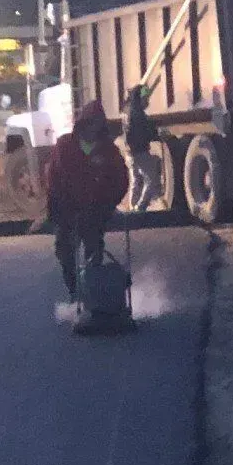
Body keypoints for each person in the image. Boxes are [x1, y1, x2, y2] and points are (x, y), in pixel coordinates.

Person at [44, 96, 129, 302]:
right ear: (83, 124)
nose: (93, 129)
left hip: (95, 211)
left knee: (94, 249)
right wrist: (59, 206)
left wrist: (106, 206)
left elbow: (120, 181)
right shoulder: (65, 146)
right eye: (90, 123)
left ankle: (94, 294)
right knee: (65, 250)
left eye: (97, 124)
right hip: (66, 209)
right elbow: (52, 177)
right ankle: (76, 291)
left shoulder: (109, 151)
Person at [124, 83, 163, 215]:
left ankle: (132, 210)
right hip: (139, 152)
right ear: (139, 98)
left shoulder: (128, 111)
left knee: (136, 181)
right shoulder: (138, 114)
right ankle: (140, 208)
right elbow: (144, 132)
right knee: (152, 180)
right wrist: (157, 135)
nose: (147, 100)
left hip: (131, 153)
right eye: (145, 98)